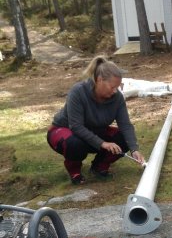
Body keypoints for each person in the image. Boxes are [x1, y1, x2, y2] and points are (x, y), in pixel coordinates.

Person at [47, 56, 145, 184]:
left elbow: (125, 125)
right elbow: (76, 126)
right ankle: (74, 171)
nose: (116, 91)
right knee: (75, 144)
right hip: (65, 132)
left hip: (95, 131)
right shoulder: (78, 92)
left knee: (123, 139)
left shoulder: (117, 98)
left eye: (118, 87)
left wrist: (134, 149)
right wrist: (103, 143)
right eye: (112, 87)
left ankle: (99, 166)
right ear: (99, 80)